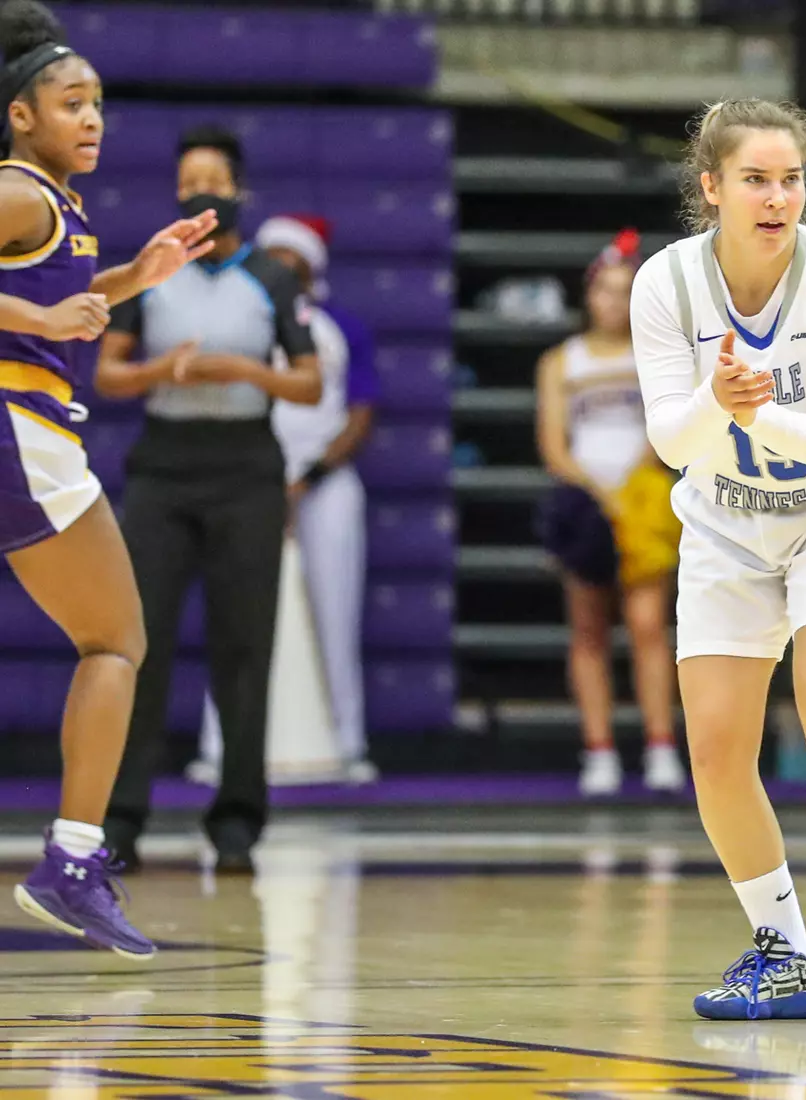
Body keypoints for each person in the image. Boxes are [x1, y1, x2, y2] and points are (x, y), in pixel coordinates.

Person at [632, 98, 806, 1021]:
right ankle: (779, 948)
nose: (777, 196)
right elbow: (671, 438)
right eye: (755, 178)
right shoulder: (666, 284)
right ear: (712, 188)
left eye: (790, 179)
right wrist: (717, 403)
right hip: (725, 519)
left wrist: (755, 412)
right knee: (714, 745)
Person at [0, 0, 216, 956]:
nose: (92, 119)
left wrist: (139, 274)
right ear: (20, 112)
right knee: (115, 639)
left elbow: (65, 295)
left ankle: (75, 859)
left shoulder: (56, 203)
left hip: (34, 432)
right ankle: (72, 861)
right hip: (20, 432)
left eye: (99, 105)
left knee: (113, 641)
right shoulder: (19, 191)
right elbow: (45, 314)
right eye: (72, 101)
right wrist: (46, 327)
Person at [96, 125, 321, 875]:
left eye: (214, 181)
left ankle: (235, 824)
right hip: (164, 467)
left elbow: (310, 382)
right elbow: (108, 374)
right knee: (140, 644)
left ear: (237, 194)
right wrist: (167, 368)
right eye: (188, 180)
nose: (202, 193)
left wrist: (241, 370)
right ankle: (122, 819)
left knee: (243, 649)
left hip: (247, 469)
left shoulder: (273, 279)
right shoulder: (151, 272)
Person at [191, 213, 380, 785]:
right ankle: (219, 746)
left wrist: (309, 478)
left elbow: (360, 413)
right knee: (234, 613)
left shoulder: (342, 327)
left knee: (335, 613)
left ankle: (347, 744)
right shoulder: (234, 326)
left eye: (291, 264)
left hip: (326, 484)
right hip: (248, 480)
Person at [535, 228, 685, 797]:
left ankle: (660, 745)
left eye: (627, 292)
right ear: (588, 295)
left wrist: (630, 487)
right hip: (586, 505)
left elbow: (667, 427)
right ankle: (598, 749)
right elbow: (553, 442)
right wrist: (592, 494)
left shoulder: (659, 357)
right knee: (589, 628)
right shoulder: (560, 362)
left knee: (649, 627)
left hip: (642, 500)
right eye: (606, 291)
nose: (614, 303)